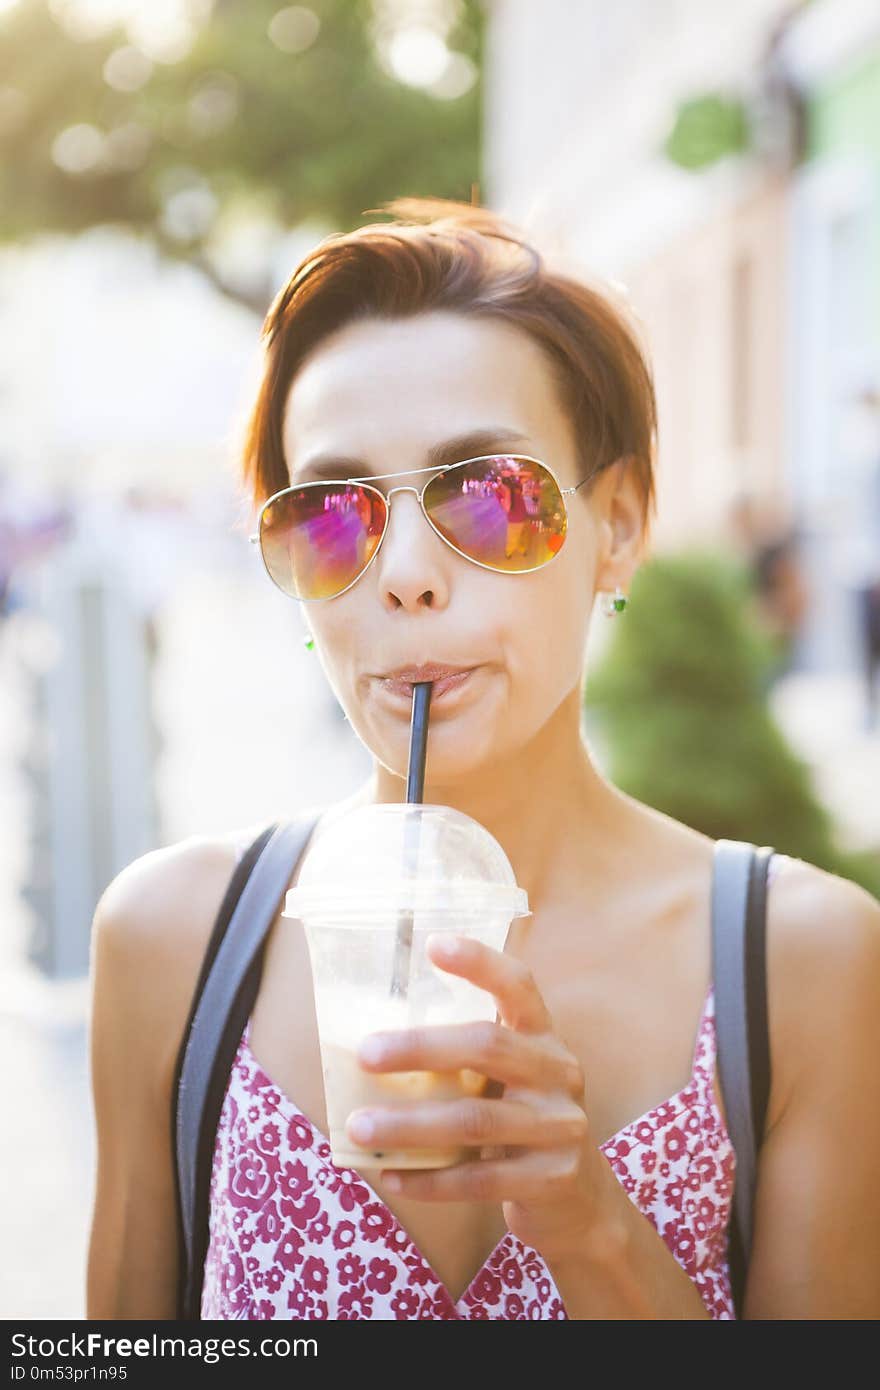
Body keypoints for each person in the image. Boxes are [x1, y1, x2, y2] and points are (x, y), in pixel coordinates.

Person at [86, 197, 880, 1320]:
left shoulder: (794, 963)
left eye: (489, 496)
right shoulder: (173, 944)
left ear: (619, 523)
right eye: (332, 513)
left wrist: (590, 1229)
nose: (404, 571)